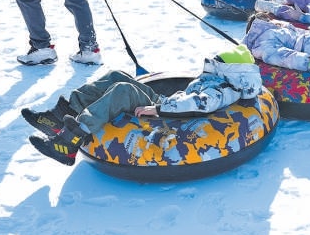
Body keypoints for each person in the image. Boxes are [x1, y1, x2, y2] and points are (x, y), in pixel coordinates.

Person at [22, 45, 262, 165]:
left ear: (231, 71)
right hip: (168, 103)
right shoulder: (220, 82)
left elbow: (196, 105)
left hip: (169, 117)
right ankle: (62, 115)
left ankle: (69, 142)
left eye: (219, 63)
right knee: (117, 76)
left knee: (123, 91)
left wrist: (157, 109)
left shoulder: (221, 91)